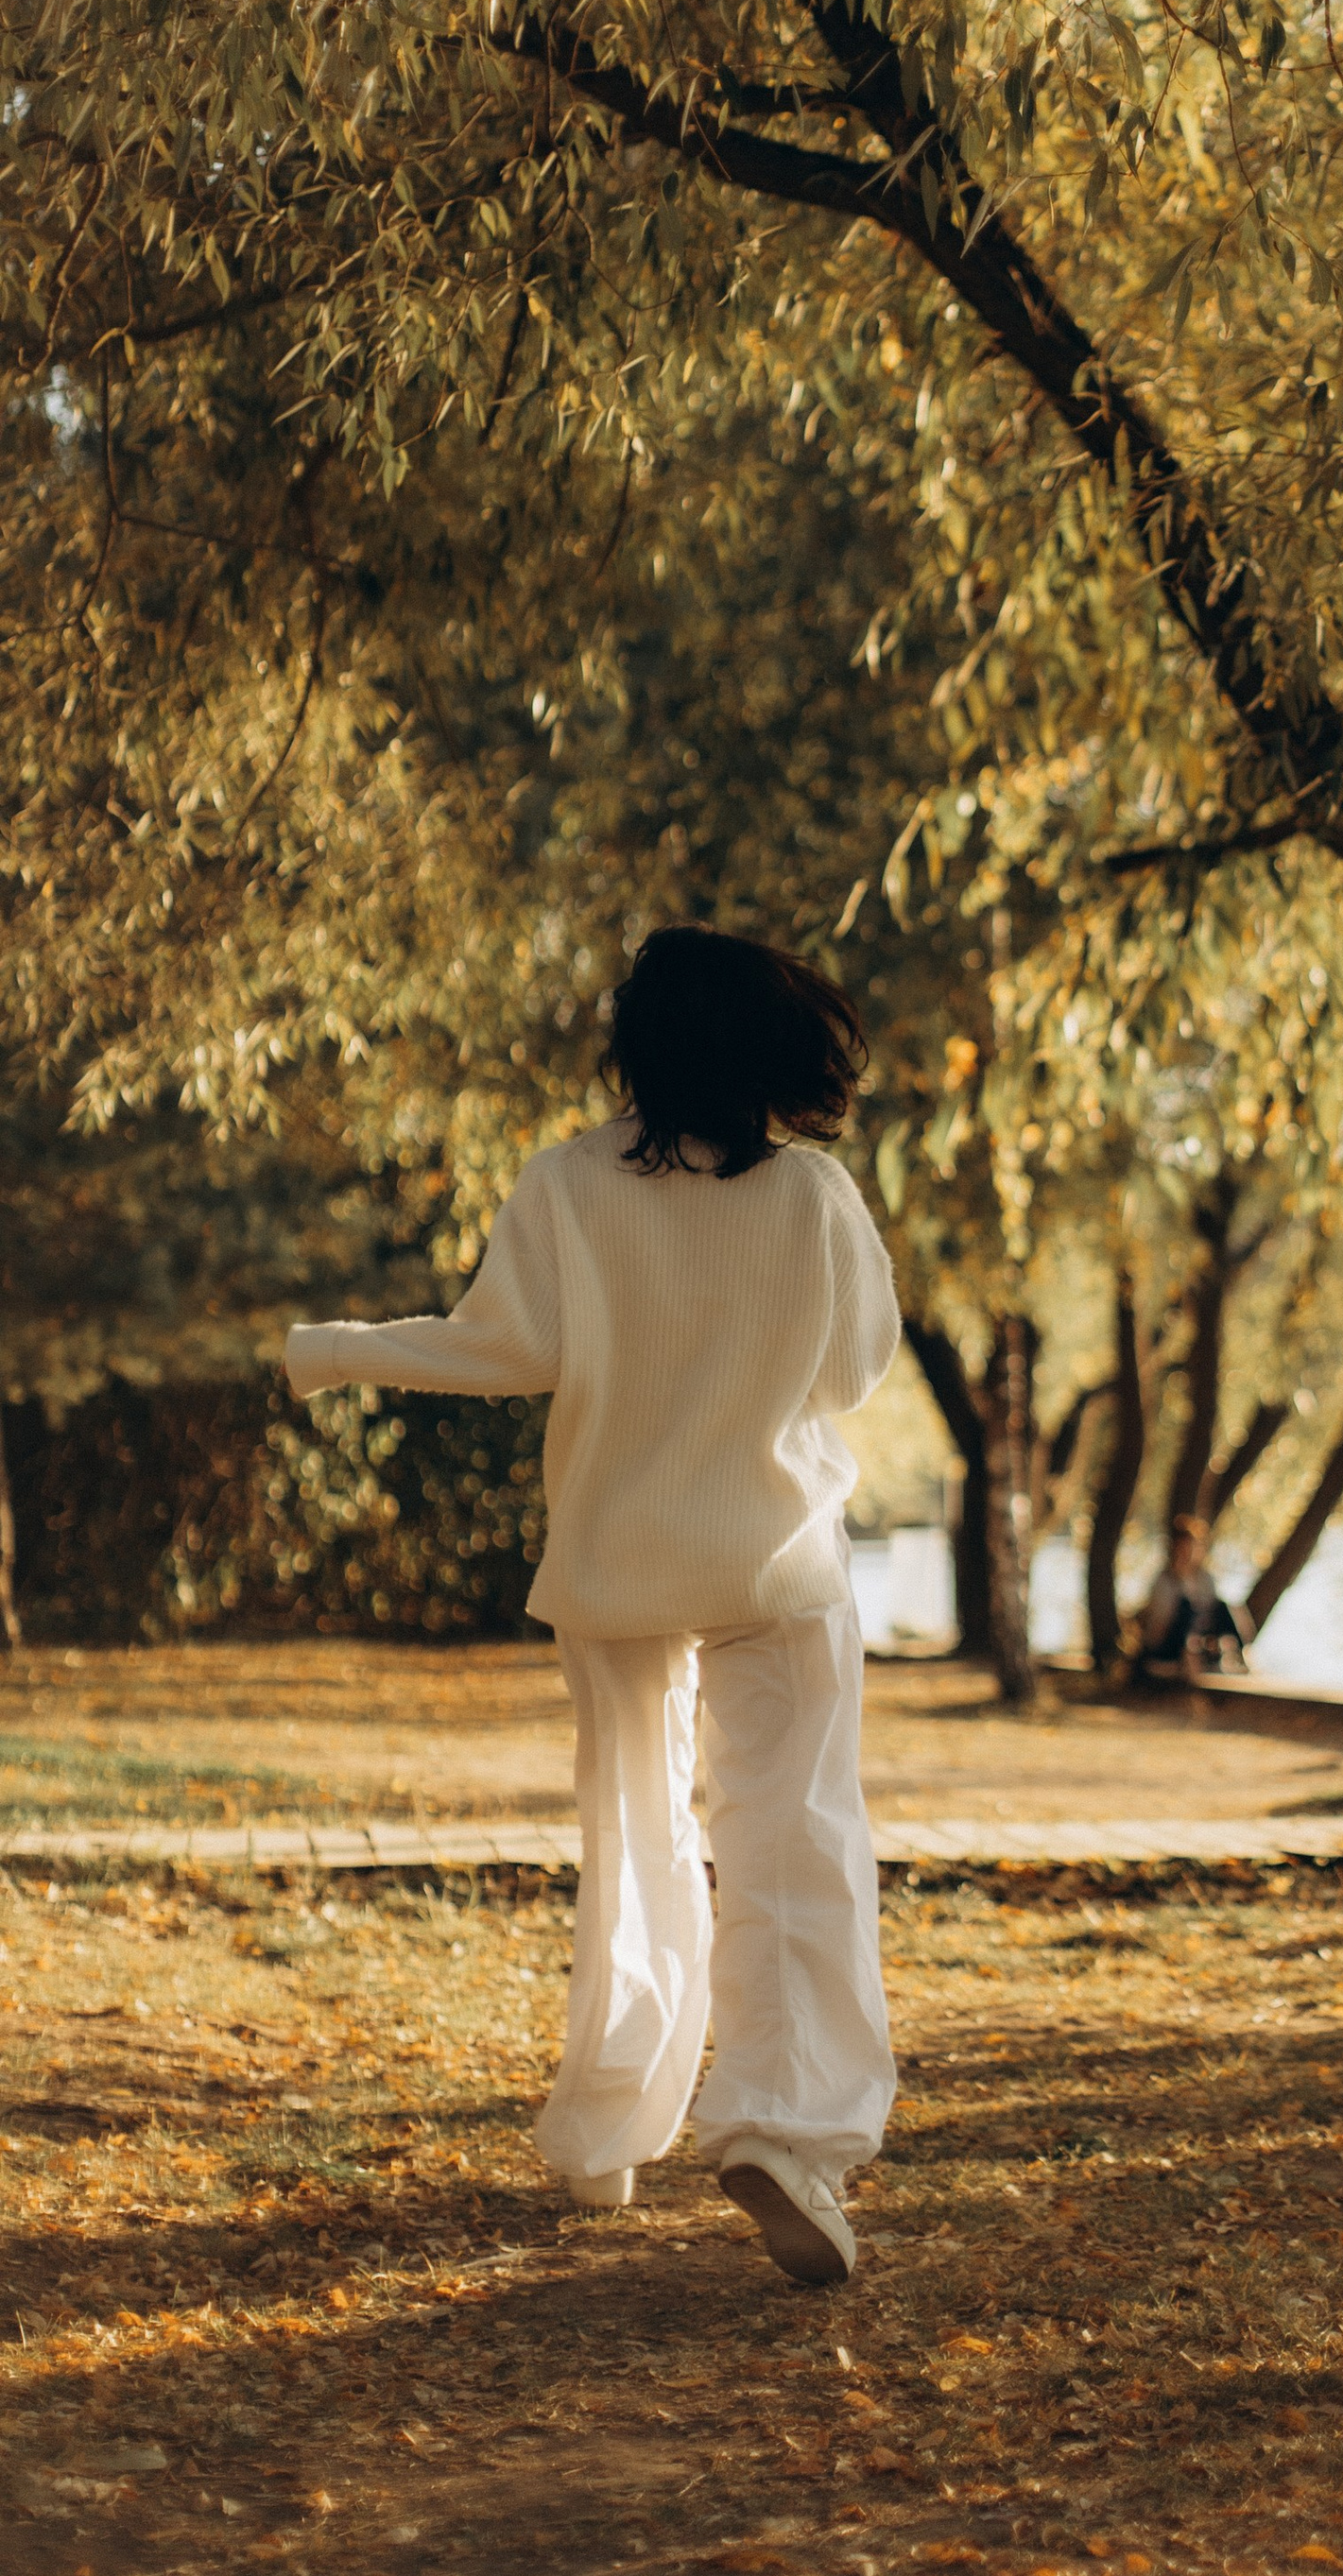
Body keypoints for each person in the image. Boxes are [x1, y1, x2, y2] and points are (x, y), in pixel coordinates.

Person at [283, 926, 901, 2291]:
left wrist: (334, 1352)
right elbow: (853, 1373)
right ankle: (785, 2134)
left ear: (639, 1046)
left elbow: (508, 1348)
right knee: (793, 1842)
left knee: (636, 1837)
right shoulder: (812, 1196)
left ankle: (613, 2127)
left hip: (619, 1570)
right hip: (776, 1566)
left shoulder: (566, 1184)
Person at [1140, 1515, 1249, 1675]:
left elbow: (1211, 1610)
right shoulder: (1164, 1580)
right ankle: (1184, 1661)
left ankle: (1239, 1655)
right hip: (1168, 1641)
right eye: (1183, 1548)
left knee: (1222, 1607)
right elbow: (1160, 1623)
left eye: (1191, 1548)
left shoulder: (1205, 1578)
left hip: (1199, 1634)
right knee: (1186, 1607)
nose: (1188, 1554)